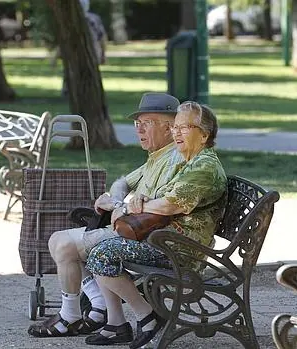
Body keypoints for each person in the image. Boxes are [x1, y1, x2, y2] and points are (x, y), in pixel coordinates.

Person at [27, 92, 184, 338]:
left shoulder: (174, 158)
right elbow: (122, 182)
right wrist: (117, 200)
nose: (139, 130)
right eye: (137, 124)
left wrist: (120, 208)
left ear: (170, 127)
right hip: (131, 229)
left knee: (64, 245)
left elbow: (159, 207)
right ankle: (102, 312)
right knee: (59, 240)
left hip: (145, 235)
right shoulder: (156, 157)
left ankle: (75, 315)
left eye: (147, 123)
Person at [84, 101, 227, 348]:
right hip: (165, 238)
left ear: (204, 135)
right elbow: (159, 199)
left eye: (186, 127)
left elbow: (170, 205)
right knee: (101, 249)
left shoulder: (204, 167)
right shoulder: (186, 160)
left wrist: (127, 207)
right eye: (176, 127)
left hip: (182, 249)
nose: (177, 132)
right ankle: (137, 318)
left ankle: (147, 316)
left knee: (103, 254)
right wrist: (142, 199)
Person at [60, 0, 107, 97]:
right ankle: (88, 93)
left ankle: (70, 91)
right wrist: (103, 53)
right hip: (92, 51)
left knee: (73, 71)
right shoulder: (94, 19)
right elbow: (102, 37)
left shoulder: (72, 20)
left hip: (81, 51)